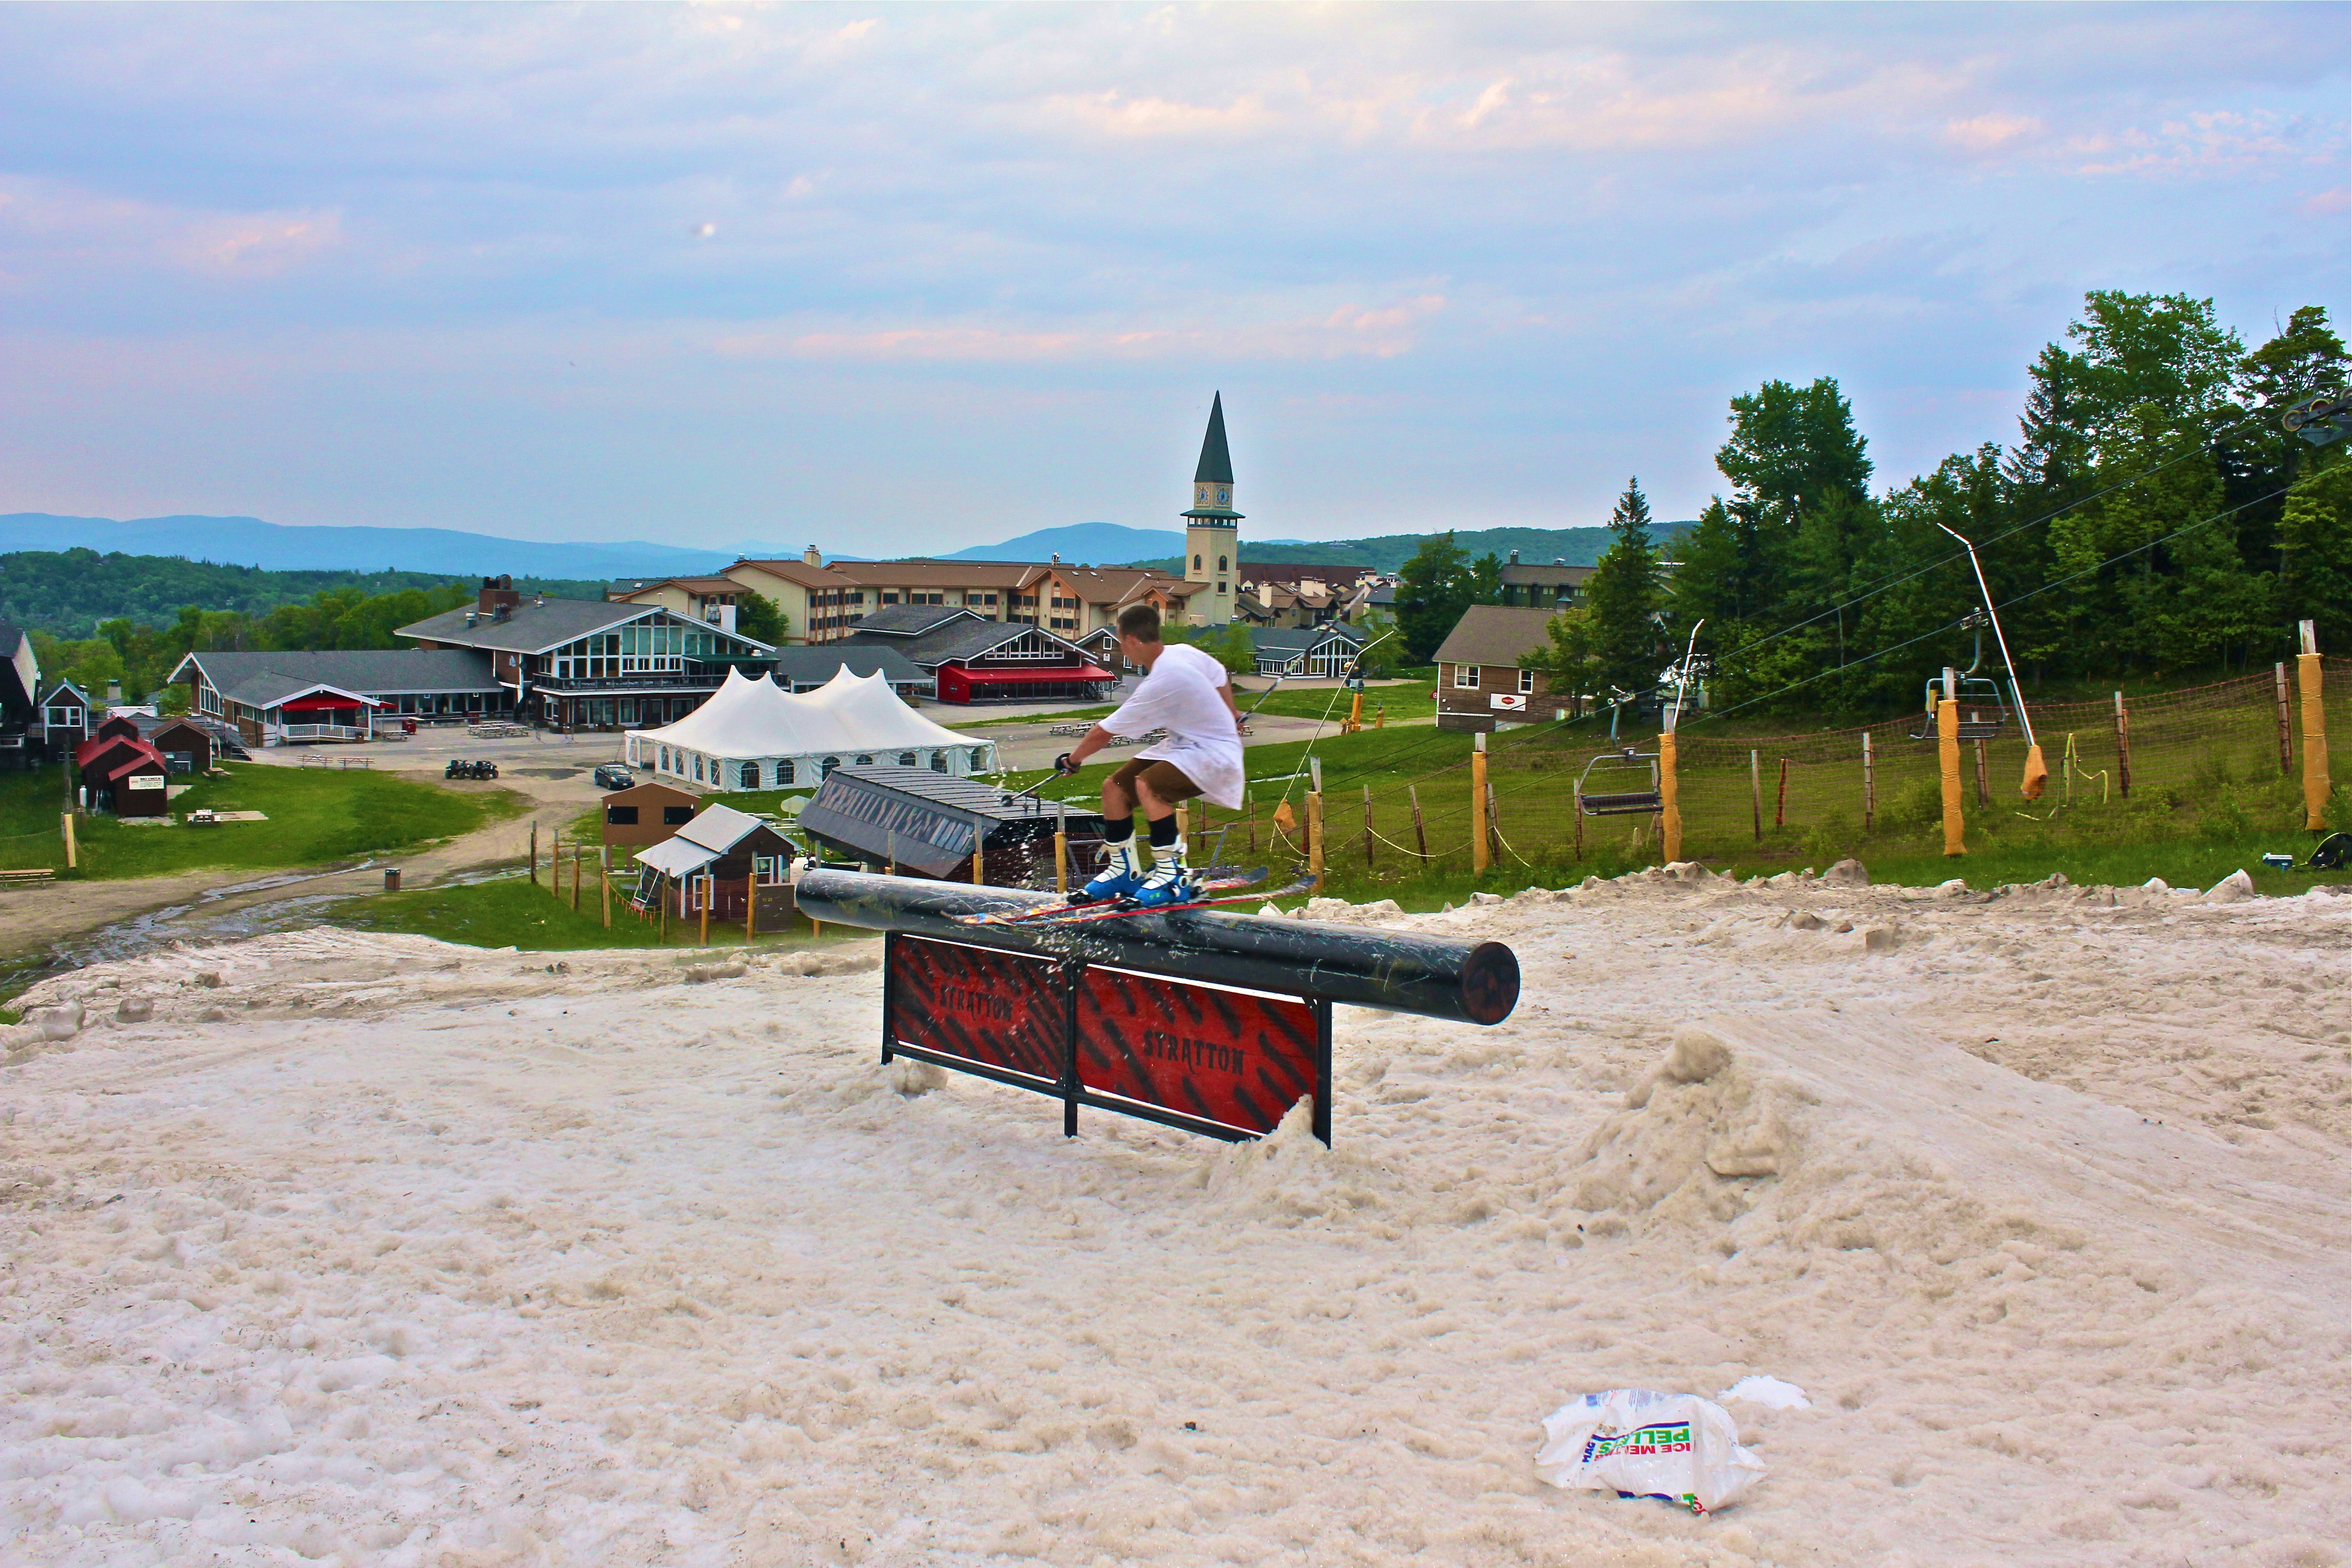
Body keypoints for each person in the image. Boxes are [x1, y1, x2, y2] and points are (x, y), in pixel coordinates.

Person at [1053, 602, 1244, 906]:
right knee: (1113, 788)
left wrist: (1072, 761)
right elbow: (1218, 672)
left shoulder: (1161, 681)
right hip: (1183, 746)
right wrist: (1232, 711)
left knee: (1149, 785)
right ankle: (1122, 872)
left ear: (1130, 639)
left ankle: (1173, 877)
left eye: (1119, 642)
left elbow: (1104, 732)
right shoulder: (1180, 651)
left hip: (1213, 755)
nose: (1121, 650)